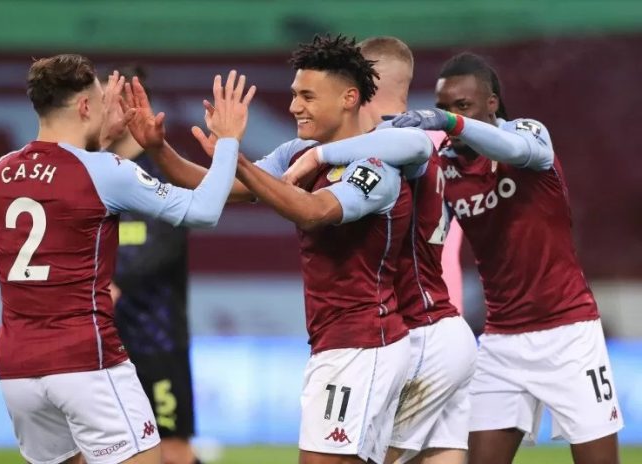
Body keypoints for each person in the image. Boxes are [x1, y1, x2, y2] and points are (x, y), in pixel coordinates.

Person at [123, 34, 433, 464]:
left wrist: (239, 157)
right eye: (293, 94)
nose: (294, 106)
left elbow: (313, 211)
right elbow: (222, 186)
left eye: (307, 95)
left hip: (363, 345)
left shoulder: (377, 166)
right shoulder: (297, 152)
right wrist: (159, 149)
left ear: (349, 97)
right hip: (341, 343)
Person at [342, 52, 624, 464]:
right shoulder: (447, 167)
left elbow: (523, 150)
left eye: (463, 106)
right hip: (500, 341)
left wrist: (450, 124)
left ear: (491, 104)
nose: (450, 116)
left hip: (569, 334)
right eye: (443, 107)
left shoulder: (525, 134)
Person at [0, 54, 255, 464]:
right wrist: (230, 140)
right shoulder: (107, 170)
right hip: (84, 359)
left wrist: (100, 139)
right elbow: (203, 210)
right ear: (85, 107)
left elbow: (65, 178)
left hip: (16, 367)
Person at [282, 36, 477, 464]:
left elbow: (404, 147)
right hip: (446, 320)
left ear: (357, 87)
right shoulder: (440, 142)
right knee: (440, 453)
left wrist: (318, 156)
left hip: (413, 329)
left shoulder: (393, 140)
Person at [104, 65, 199, 464]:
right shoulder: (94, 172)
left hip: (157, 338)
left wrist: (111, 281)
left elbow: (165, 243)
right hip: (103, 344)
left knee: (171, 449)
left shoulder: (163, 171)